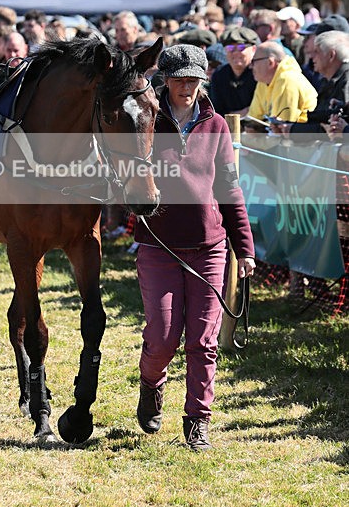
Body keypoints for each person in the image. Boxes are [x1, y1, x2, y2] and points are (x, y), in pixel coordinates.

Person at [133, 44, 255, 449]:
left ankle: (198, 419)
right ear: (164, 81)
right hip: (157, 244)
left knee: (203, 339)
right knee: (163, 336)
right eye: (180, 79)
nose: (187, 87)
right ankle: (151, 384)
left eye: (194, 80)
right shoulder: (145, 120)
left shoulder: (216, 124)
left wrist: (246, 248)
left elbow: (229, 187)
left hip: (210, 247)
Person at [248, 41, 317, 125]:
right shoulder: (263, 81)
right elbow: (253, 119)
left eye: (253, 61)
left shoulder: (288, 80)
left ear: (270, 63)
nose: (250, 66)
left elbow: (282, 128)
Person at [209, 27, 258, 116]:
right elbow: (216, 111)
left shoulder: (259, 73)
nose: (235, 52)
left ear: (253, 49)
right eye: (230, 48)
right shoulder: (219, 75)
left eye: (241, 47)